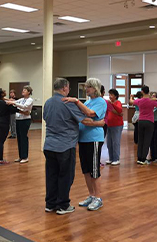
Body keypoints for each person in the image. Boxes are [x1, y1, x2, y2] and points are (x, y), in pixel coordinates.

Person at [43, 78, 104, 215]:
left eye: (88, 87)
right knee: (65, 176)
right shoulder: (67, 102)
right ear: (65, 88)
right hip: (64, 145)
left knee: (51, 175)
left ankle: (50, 203)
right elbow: (86, 119)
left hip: (49, 145)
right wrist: (99, 124)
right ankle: (63, 205)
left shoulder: (47, 102)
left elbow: (46, 118)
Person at [63, 78, 107, 211]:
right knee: (86, 170)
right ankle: (91, 195)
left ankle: (98, 198)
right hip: (83, 139)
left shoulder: (100, 102)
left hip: (94, 139)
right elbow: (83, 118)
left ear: (95, 88)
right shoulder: (88, 102)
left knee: (94, 170)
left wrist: (76, 101)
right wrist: (96, 122)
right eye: (86, 86)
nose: (86, 89)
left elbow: (90, 114)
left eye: (88, 87)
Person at [129, 85, 157, 165]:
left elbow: (131, 102)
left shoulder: (140, 100)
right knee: (147, 141)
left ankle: (139, 158)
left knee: (141, 140)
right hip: (149, 122)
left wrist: (131, 97)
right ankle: (143, 159)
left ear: (142, 91)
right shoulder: (152, 101)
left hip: (141, 121)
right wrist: (156, 99)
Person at [6, 86, 33, 164]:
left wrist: (14, 103)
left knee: (24, 138)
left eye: (25, 90)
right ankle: (21, 156)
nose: (23, 91)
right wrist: (4, 99)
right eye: (23, 89)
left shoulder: (29, 100)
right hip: (19, 119)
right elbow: (14, 101)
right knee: (19, 138)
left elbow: (24, 107)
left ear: (29, 92)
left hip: (25, 120)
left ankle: (25, 157)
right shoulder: (22, 99)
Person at [0, 88, 18, 166]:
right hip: (4, 123)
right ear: (2, 94)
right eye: (4, 92)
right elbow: (15, 109)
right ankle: (0, 160)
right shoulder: (6, 104)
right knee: (1, 142)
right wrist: (11, 102)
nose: (6, 92)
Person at [105, 88, 123, 166]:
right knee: (109, 142)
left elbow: (119, 110)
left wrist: (111, 104)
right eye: (109, 95)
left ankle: (116, 159)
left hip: (117, 125)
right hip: (109, 125)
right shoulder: (108, 103)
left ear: (115, 96)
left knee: (116, 142)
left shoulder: (118, 102)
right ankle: (111, 158)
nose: (110, 96)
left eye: (111, 95)